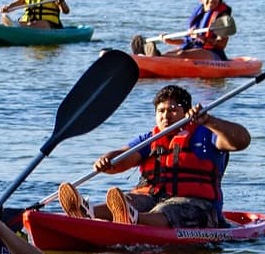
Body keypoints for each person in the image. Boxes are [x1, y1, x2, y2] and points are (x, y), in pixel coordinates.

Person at [57, 84, 250, 229]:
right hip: (152, 197)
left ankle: (132, 219)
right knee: (128, 199)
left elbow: (241, 141)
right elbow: (122, 159)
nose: (166, 116)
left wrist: (210, 120)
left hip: (198, 205)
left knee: (166, 211)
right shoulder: (150, 139)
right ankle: (86, 213)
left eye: (173, 110)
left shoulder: (207, 134)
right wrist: (107, 160)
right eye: (161, 111)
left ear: (187, 112)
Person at [131, 0, 234, 61]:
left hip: (214, 54)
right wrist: (170, 41)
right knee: (171, 53)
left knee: (182, 54)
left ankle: (153, 58)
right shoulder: (200, 15)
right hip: (195, 49)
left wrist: (202, 38)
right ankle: (150, 57)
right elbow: (188, 41)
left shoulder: (222, 17)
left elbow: (221, 45)